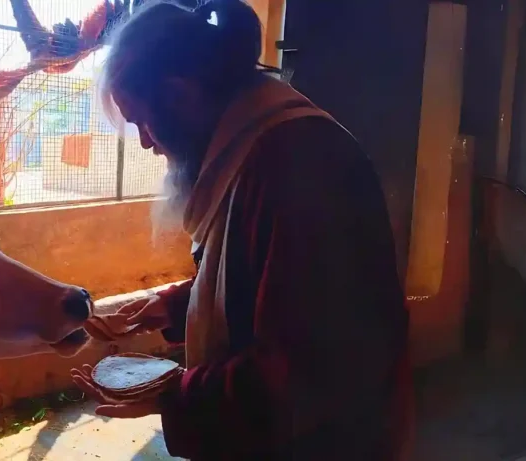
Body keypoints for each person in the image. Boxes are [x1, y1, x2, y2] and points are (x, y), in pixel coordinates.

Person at [69, 0, 414, 460]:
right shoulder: (255, 146)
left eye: (143, 123)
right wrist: (170, 306)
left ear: (180, 97)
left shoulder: (295, 162)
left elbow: (309, 372)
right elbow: (263, 282)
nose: (148, 143)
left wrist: (173, 396)